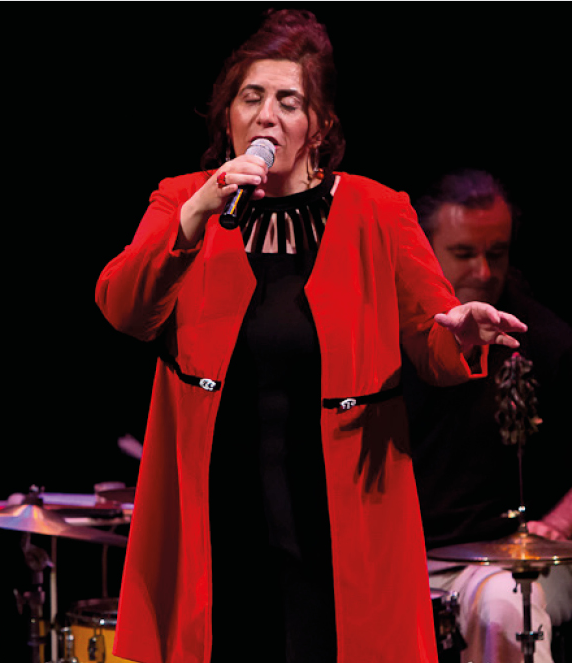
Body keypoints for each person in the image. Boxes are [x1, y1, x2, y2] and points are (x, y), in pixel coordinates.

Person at [95, 11, 527, 663]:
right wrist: (194, 214)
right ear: (228, 117)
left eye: (288, 101)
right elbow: (125, 309)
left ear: (319, 126)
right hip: (217, 522)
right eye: (251, 97)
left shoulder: (379, 212)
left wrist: (463, 332)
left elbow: (434, 346)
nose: (266, 116)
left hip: (338, 524)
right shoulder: (184, 200)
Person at [403, 168, 572, 663]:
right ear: (425, 249)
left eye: (496, 253)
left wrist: (555, 527)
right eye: (464, 253)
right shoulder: (393, 341)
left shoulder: (550, 344)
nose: (483, 271)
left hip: (508, 566)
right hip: (410, 560)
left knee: (504, 607)